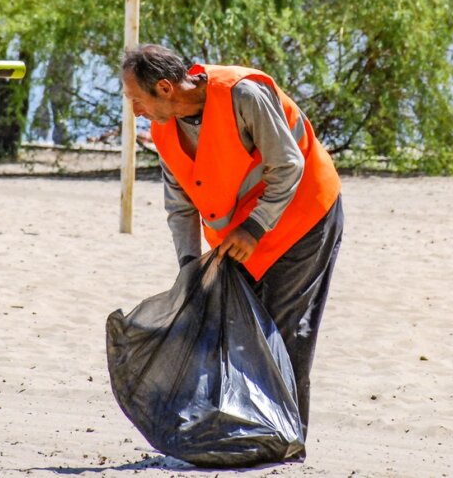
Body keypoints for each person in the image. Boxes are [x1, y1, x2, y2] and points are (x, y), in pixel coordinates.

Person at [120, 43, 344, 440]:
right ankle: (250, 434)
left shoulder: (243, 95)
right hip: (245, 236)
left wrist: (256, 228)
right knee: (237, 330)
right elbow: (180, 206)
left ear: (167, 89)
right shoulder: (163, 129)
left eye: (137, 99)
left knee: (285, 330)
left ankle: (285, 441)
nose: (135, 110)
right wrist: (191, 270)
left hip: (305, 215)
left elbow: (289, 164)